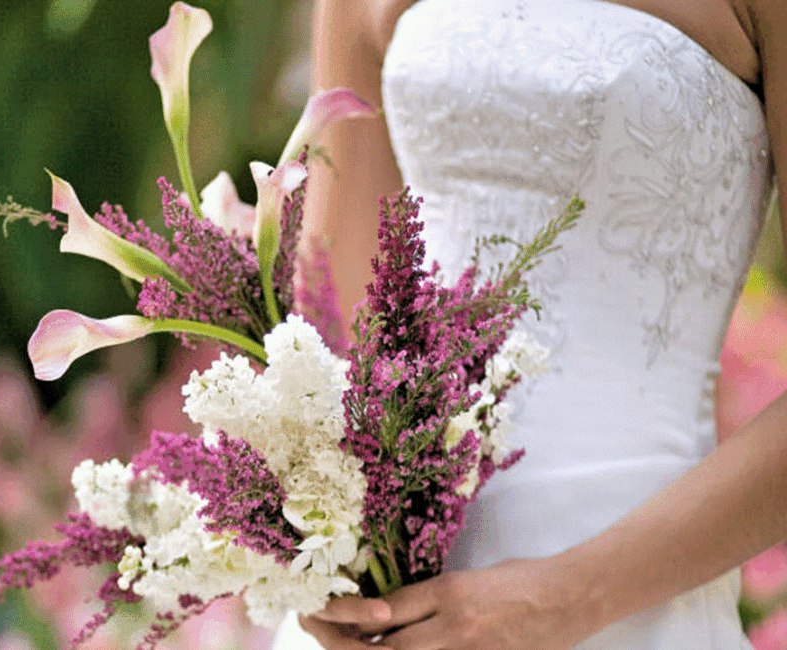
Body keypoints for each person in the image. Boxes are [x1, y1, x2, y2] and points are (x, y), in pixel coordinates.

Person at [270, 0, 787, 649]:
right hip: (392, 611)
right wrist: (329, 570)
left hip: (635, 596)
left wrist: (568, 597)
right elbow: (333, 334)